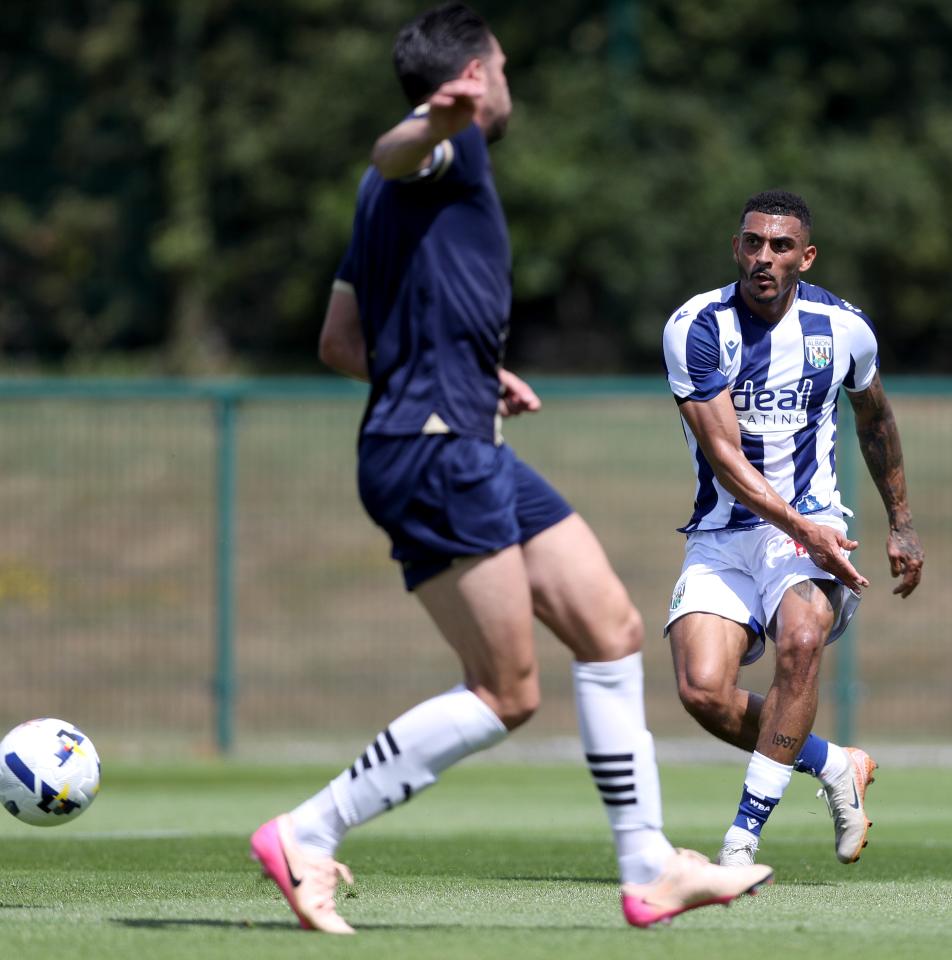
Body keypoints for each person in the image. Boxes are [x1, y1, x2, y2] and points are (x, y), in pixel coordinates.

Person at [249, 3, 772, 934]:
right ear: (476, 77)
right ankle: (308, 831)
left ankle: (650, 865)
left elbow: (339, 340)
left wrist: (461, 367)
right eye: (502, 67)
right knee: (506, 691)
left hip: (455, 437)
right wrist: (438, 124)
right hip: (434, 454)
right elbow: (391, 153)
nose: (507, 81)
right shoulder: (447, 152)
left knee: (610, 627)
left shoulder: (387, 204)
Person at [661, 190, 924, 868]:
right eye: (753, 243)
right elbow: (724, 456)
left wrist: (901, 525)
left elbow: (876, 421)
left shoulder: (843, 329)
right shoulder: (697, 325)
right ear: (736, 248)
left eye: (781, 247)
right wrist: (796, 524)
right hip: (723, 531)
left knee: (801, 640)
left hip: (809, 532)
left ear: (806, 257)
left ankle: (742, 840)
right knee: (702, 692)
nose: (764, 258)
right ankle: (835, 764)